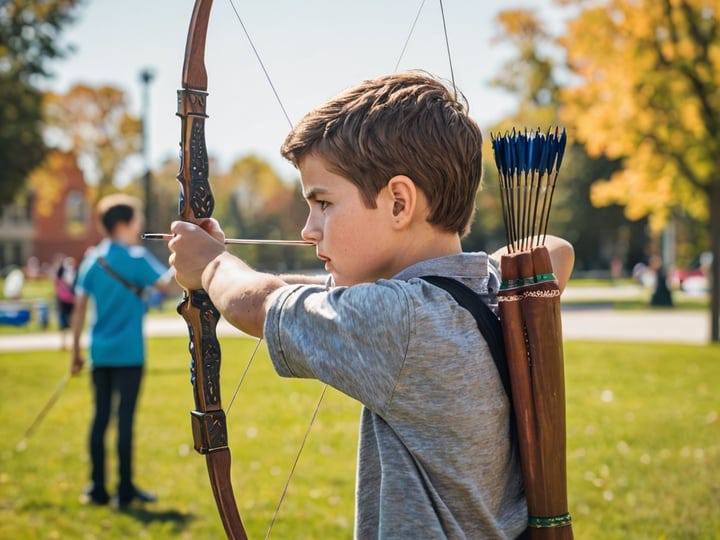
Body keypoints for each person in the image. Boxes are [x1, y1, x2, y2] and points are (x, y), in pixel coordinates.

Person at [168, 71, 574, 538]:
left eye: (322, 202)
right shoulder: (487, 286)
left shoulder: (403, 321)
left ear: (399, 203)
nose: (308, 228)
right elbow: (558, 249)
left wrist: (211, 267)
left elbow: (257, 305)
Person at [70, 193, 176, 509]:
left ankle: (97, 488)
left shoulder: (92, 261)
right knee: (124, 421)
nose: (140, 225)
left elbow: (78, 310)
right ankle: (125, 490)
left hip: (99, 353)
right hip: (129, 353)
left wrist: (75, 352)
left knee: (100, 419)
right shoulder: (136, 259)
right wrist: (182, 252)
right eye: (137, 220)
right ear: (123, 224)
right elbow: (169, 286)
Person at [54, 255, 77, 350]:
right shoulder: (61, 273)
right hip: (62, 300)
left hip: (72, 300)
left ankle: (73, 343)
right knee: (63, 322)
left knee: (73, 322)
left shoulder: (76, 274)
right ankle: (63, 343)